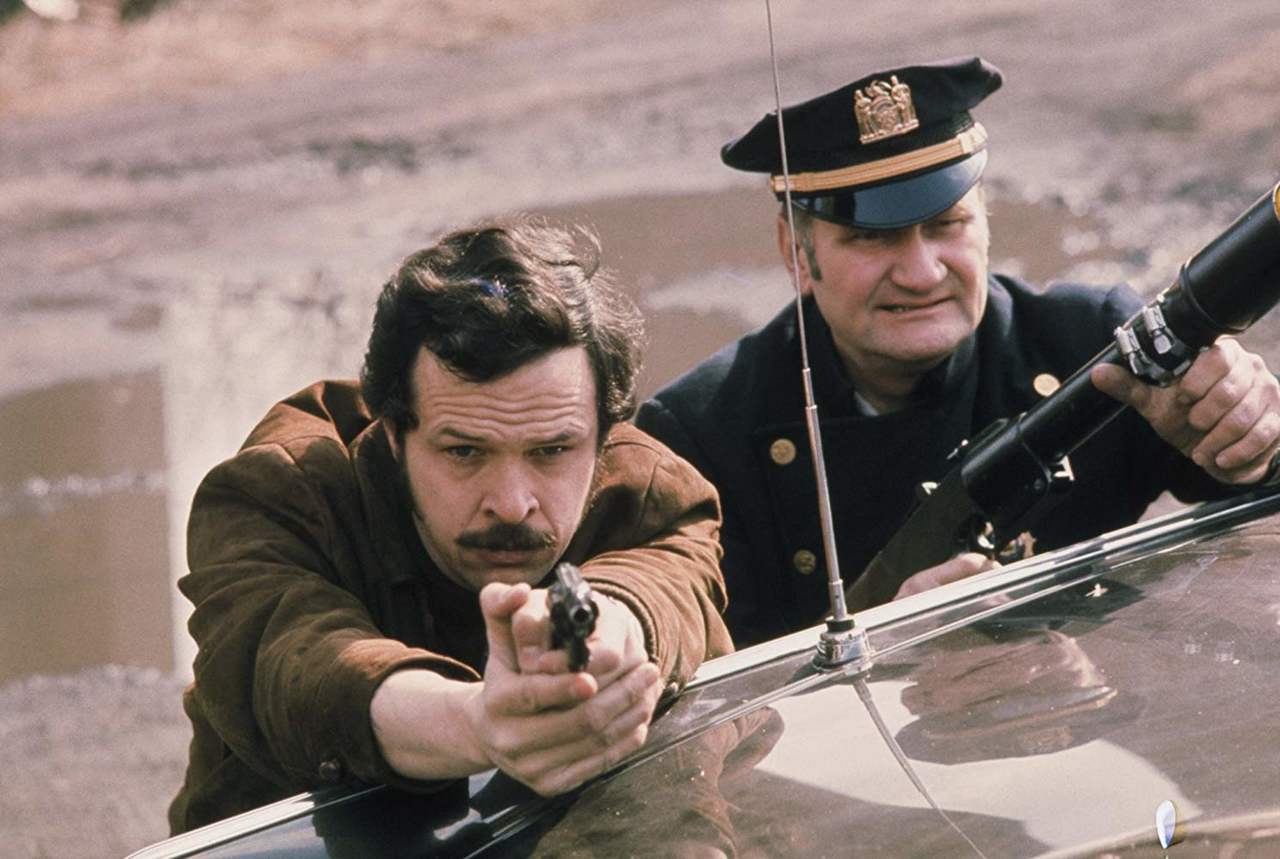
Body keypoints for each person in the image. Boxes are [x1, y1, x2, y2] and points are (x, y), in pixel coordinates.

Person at [636, 56, 1280, 647]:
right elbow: (709, 697)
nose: (921, 273)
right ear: (796, 254)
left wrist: (1251, 439)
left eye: (947, 225)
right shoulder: (700, 439)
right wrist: (893, 648)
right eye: (871, 238)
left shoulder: (1090, 343)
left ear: (984, 222)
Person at [168, 217, 733, 833]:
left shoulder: (651, 492)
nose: (512, 504)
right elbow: (297, 662)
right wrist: (477, 723)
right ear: (391, 433)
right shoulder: (278, 495)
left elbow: (662, 581)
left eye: (551, 451)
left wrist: (612, 633)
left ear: (603, 438)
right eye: (465, 452)